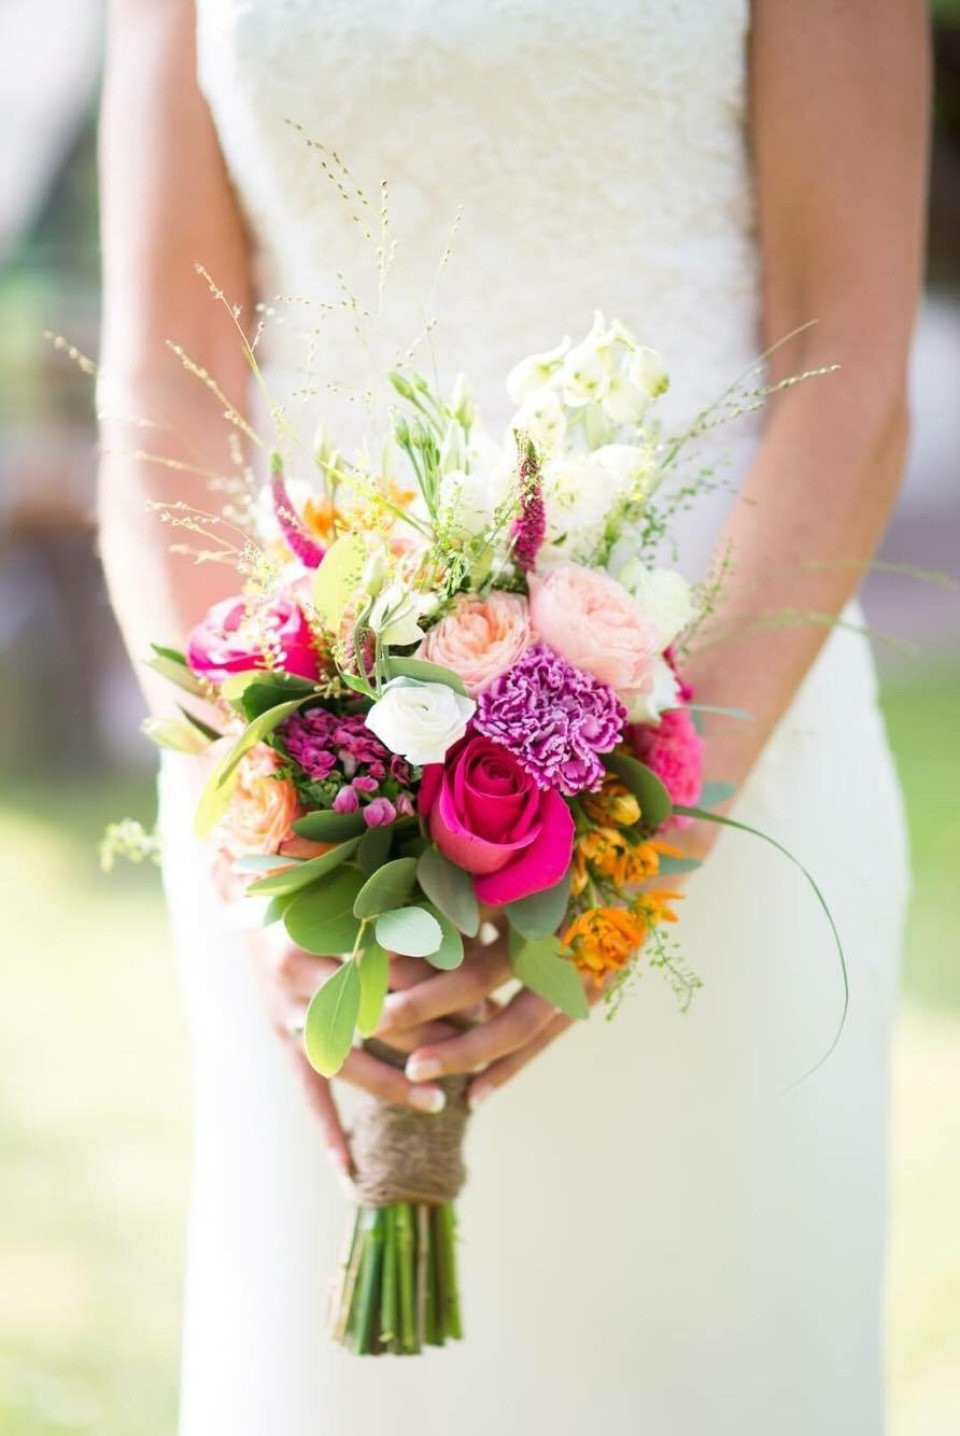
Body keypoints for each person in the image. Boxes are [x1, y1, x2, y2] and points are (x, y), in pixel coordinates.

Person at [97, 2, 928, 1431]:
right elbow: (161, 399)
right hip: (311, 783)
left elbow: (849, 368)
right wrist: (257, 820)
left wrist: (625, 859)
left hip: (719, 754)